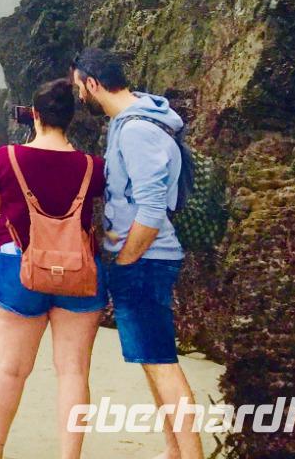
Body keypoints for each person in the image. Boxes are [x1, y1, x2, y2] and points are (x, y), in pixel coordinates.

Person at [73, 49, 201, 459]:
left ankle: (190, 455)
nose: (79, 96)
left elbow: (150, 208)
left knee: (162, 364)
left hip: (146, 261)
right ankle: (174, 451)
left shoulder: (135, 131)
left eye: (79, 87)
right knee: (152, 361)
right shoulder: (129, 122)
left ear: (93, 84)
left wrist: (125, 260)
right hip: (144, 258)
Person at [0, 77, 106, 459]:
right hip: (79, 271)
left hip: (21, 269)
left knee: (12, 369)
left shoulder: (7, 158)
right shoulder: (92, 167)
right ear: (71, 118)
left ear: (33, 115)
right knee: (73, 372)